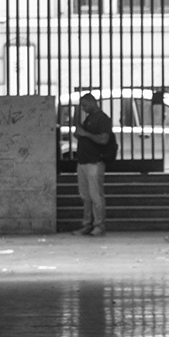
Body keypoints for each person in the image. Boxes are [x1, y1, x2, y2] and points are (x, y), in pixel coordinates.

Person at [73, 92, 112, 237]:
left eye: (85, 105)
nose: (83, 108)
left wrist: (85, 134)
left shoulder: (102, 118)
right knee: (86, 197)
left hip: (94, 162)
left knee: (96, 196)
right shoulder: (89, 118)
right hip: (83, 161)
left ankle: (99, 225)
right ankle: (87, 224)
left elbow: (104, 139)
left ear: (92, 102)